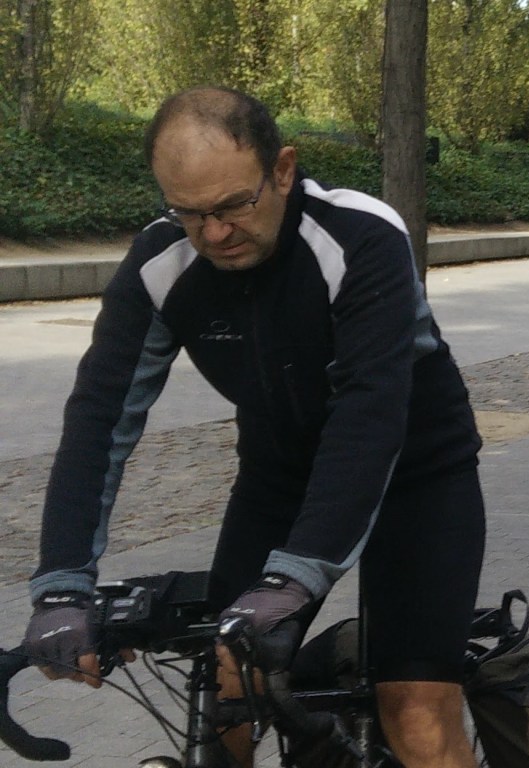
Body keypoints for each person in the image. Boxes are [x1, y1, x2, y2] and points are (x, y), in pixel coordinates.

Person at [21, 86, 486, 767]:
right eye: (188, 212)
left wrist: (295, 579)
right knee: (227, 687)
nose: (213, 234)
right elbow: (98, 420)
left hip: (418, 479)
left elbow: (369, 413)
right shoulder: (160, 267)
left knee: (415, 711)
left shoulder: (360, 236)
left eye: (233, 205)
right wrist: (62, 582)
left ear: (283, 169)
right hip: (279, 481)